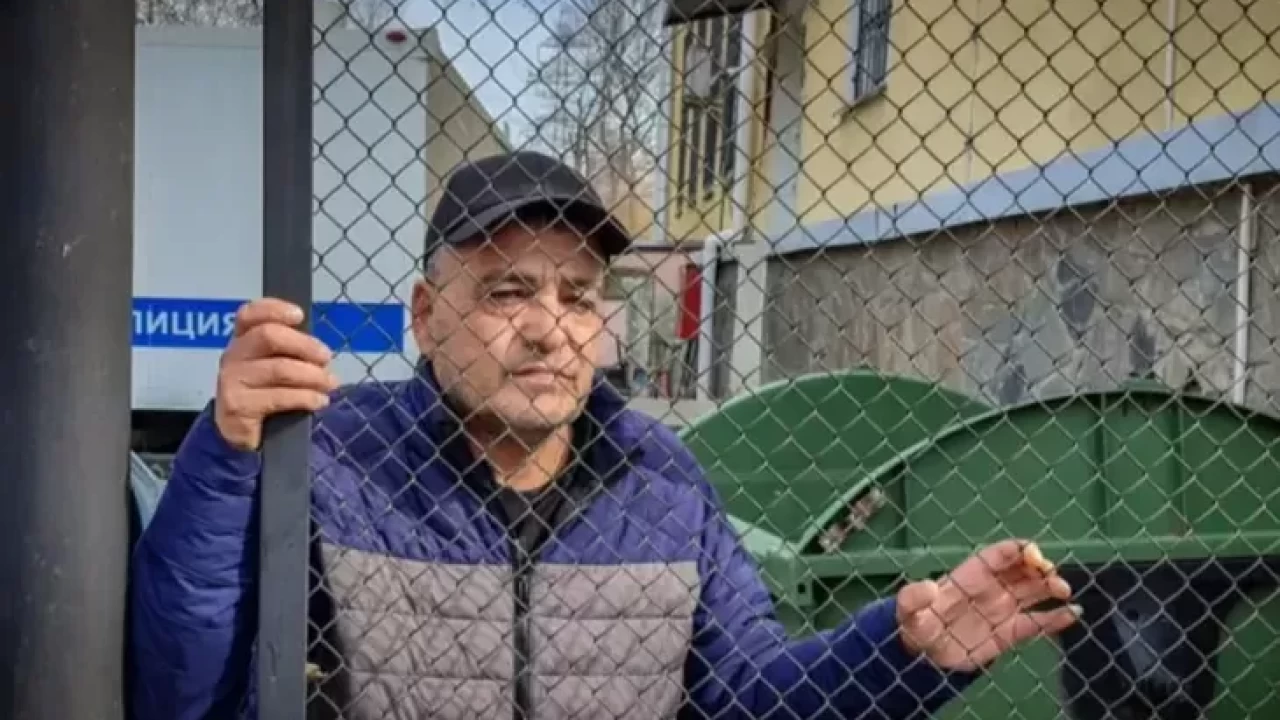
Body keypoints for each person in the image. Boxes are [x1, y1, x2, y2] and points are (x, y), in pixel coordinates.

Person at [129, 150, 1081, 720]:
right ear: (424, 315)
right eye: (507, 290)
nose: (548, 328)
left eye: (579, 296)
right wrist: (224, 451)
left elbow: (750, 697)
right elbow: (178, 688)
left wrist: (901, 656)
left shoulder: (660, 482)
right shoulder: (332, 457)